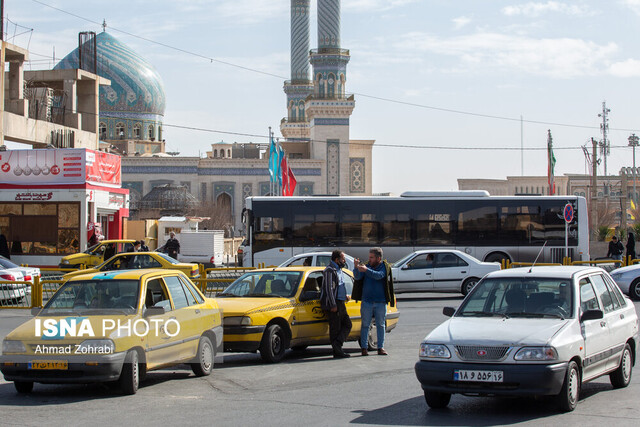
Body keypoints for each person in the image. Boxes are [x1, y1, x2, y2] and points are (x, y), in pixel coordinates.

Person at [352, 247, 395, 356]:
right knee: (365, 325)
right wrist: (356, 267)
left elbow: (379, 276)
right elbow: (357, 277)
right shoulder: (366, 266)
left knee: (380, 325)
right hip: (367, 301)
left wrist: (366, 270)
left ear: (378, 258)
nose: (369, 259)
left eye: (371, 257)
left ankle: (380, 347)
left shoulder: (384, 267)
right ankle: (364, 348)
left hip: (380, 302)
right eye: (369, 257)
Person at [320, 249, 352, 358]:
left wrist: (345, 295)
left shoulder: (339, 269)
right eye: (343, 259)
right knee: (335, 328)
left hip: (341, 302)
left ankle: (337, 346)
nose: (344, 261)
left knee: (348, 324)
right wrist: (333, 304)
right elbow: (329, 289)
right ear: (337, 259)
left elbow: (340, 285)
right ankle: (337, 350)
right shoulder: (329, 270)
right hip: (334, 303)